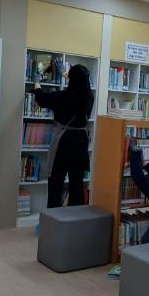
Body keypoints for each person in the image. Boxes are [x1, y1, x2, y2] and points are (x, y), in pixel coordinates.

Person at [33, 64, 93, 208]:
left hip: (64, 142)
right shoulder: (89, 96)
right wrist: (64, 73)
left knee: (56, 182)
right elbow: (78, 85)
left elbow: (42, 99)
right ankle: (76, 218)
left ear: (72, 80)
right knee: (77, 184)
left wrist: (36, 83)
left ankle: (53, 218)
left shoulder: (62, 96)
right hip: (81, 142)